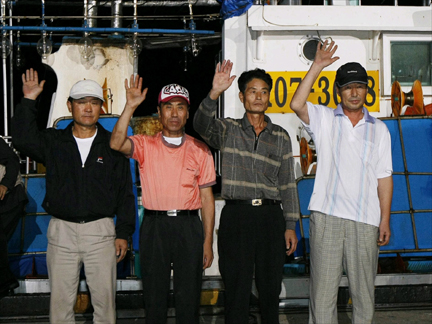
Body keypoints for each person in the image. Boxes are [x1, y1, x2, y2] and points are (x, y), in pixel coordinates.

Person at [12, 68, 136, 324]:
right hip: (62, 233)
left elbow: (126, 192)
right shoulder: (54, 141)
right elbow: (22, 139)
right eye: (81, 102)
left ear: (101, 107)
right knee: (60, 308)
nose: (88, 108)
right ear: (70, 106)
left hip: (101, 233)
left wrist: (123, 232)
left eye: (93, 102)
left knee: (105, 308)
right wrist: (29, 101)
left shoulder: (112, 145)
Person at [290, 41, 393, 323]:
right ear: (339, 91)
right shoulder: (324, 118)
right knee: (322, 296)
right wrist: (317, 66)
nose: (354, 92)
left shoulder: (380, 129)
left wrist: (384, 220)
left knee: (363, 296)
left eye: (359, 86)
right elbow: (296, 104)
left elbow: (384, 177)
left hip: (366, 220)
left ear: (366, 91)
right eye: (348, 86)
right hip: (327, 217)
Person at [193, 61, 299, 324]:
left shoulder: (281, 136)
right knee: (237, 291)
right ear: (241, 97)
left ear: (269, 97)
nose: (258, 96)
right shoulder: (227, 130)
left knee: (270, 290)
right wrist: (214, 93)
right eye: (252, 91)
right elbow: (200, 125)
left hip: (271, 218)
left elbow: (288, 183)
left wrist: (290, 225)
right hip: (236, 218)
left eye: (264, 91)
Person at [110, 76, 216, 324]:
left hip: (189, 227)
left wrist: (208, 241)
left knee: (188, 298)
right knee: (154, 298)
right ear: (159, 112)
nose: (174, 113)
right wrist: (130, 106)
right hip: (154, 226)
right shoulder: (145, 145)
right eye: (168, 107)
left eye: (181, 107)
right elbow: (115, 142)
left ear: (188, 113)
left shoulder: (201, 150)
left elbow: (207, 199)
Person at [0, 138, 28, 299]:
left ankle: (6, 282)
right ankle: (6, 281)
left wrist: (5, 184)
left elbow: (12, 159)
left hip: (10, 197)